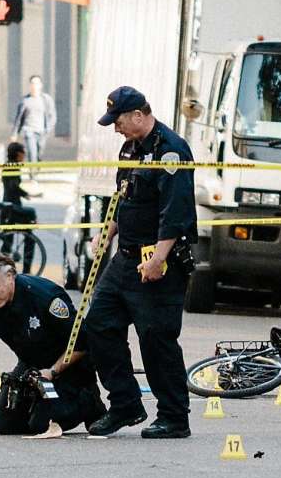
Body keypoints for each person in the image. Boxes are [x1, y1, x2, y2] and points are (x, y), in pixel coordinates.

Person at [84, 86, 197, 439]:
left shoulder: (171, 150)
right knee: (98, 324)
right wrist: (105, 234)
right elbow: (122, 198)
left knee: (156, 338)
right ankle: (125, 404)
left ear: (138, 115)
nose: (115, 128)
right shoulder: (130, 148)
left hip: (158, 260)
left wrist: (158, 259)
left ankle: (174, 417)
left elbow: (175, 212)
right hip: (125, 259)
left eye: (117, 121)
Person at [0, 251, 106, 436]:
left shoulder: (44, 297)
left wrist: (53, 371)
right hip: (32, 364)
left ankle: (88, 400)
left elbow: (82, 342)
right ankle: (42, 404)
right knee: (4, 425)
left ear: (10, 276)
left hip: (70, 363)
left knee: (41, 425)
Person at [0, 142, 37, 274]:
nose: (24, 156)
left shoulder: (9, 165)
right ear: (18, 154)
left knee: (7, 242)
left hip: (7, 208)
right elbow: (13, 187)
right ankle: (26, 269)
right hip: (12, 208)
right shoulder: (12, 167)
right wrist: (25, 194)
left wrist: (25, 194)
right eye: (23, 153)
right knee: (29, 236)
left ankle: (2, 270)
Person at [11, 75, 57, 167]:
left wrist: (49, 128)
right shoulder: (25, 101)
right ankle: (32, 173)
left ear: (40, 85)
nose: (34, 85)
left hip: (42, 131)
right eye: (32, 83)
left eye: (37, 83)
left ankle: (37, 163)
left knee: (39, 153)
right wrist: (14, 133)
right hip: (29, 130)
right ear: (30, 85)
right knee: (32, 153)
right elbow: (18, 118)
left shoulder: (46, 99)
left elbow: (52, 115)